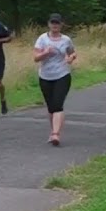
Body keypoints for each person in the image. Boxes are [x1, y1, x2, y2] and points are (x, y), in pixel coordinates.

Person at [33, 13, 77, 147]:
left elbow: (72, 52)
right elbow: (35, 57)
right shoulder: (42, 39)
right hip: (45, 76)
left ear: (61, 24)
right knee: (51, 106)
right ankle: (53, 131)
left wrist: (70, 58)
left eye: (57, 23)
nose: (55, 26)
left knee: (58, 104)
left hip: (62, 75)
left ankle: (56, 134)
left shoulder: (66, 39)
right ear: (49, 24)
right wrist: (45, 52)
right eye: (53, 23)